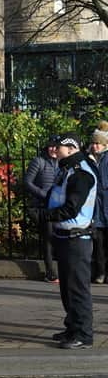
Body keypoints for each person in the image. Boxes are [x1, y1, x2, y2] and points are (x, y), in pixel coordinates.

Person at [43, 133, 96, 349]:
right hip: (64, 236)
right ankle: (72, 327)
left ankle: (84, 334)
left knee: (77, 289)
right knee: (67, 287)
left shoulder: (81, 173)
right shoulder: (66, 169)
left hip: (77, 237)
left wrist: (45, 216)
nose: (54, 150)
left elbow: (72, 207)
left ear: (71, 148)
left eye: (59, 147)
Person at [24, 135, 59, 282]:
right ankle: (50, 272)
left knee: (58, 239)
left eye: (56, 146)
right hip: (42, 206)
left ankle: (58, 270)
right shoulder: (39, 161)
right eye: (50, 146)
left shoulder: (62, 163)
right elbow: (27, 182)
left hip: (58, 206)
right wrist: (43, 194)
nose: (53, 149)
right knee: (49, 238)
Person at [88, 121, 108, 284]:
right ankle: (100, 272)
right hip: (95, 209)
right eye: (93, 143)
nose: (95, 146)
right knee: (98, 244)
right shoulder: (88, 159)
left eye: (98, 143)